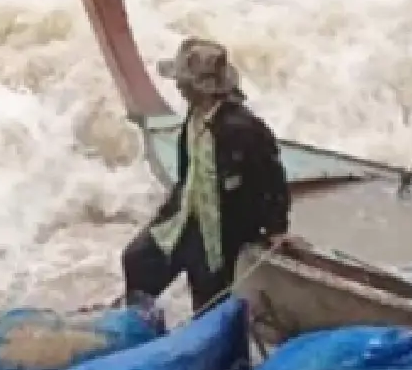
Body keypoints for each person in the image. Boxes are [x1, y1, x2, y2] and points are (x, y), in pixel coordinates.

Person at [121, 38, 288, 313]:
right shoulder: (195, 116)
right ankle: (144, 324)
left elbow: (272, 179)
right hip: (187, 218)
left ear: (202, 89)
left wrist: (276, 228)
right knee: (137, 260)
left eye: (183, 82)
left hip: (220, 233)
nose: (178, 86)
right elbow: (187, 172)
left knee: (208, 300)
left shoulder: (244, 130)